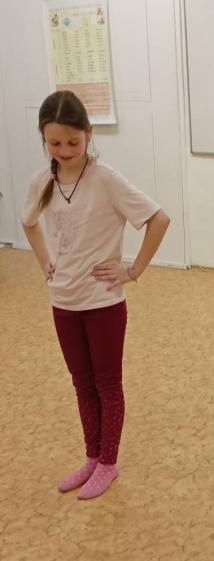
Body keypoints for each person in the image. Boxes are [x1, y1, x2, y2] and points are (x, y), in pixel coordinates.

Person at [22, 90, 170, 497]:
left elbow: (158, 219)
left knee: (107, 384)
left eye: (73, 142)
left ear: (89, 133)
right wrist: (44, 262)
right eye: (54, 143)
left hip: (103, 303)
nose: (65, 151)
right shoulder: (42, 181)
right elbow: (29, 223)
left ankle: (108, 462)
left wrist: (132, 270)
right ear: (43, 139)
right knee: (81, 383)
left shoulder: (106, 179)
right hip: (63, 302)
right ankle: (91, 457)